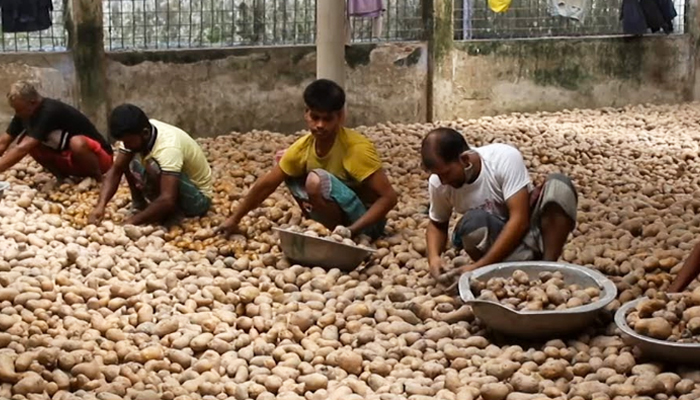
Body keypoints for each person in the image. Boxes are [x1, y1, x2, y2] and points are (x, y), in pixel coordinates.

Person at [218, 79, 397, 239]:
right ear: (306, 114)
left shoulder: (356, 149)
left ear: (340, 116)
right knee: (284, 162)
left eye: (327, 119)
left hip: (366, 224)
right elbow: (267, 184)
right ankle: (330, 232)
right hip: (340, 221)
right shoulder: (303, 147)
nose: (320, 125)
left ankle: (338, 235)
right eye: (315, 117)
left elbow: (389, 198)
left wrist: (351, 230)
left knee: (315, 180)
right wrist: (234, 219)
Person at [422, 127, 578, 284]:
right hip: (496, 240)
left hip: (531, 231)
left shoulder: (503, 159)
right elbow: (437, 224)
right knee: (471, 224)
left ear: (465, 160)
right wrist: (434, 258)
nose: (443, 181)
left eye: (446, 173)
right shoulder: (438, 184)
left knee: (559, 186)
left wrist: (478, 267)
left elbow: (520, 220)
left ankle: (546, 266)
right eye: (438, 175)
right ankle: (510, 269)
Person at [88, 104, 213, 226]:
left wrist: (132, 221)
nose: (125, 145)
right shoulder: (137, 134)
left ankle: (174, 213)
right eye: (123, 141)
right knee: (126, 158)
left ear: (145, 133)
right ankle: (140, 203)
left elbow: (168, 198)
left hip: (198, 199)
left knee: (153, 166)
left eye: (129, 141)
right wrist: (101, 205)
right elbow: (116, 170)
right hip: (171, 188)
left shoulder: (168, 147)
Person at [0, 81, 113, 182]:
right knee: (28, 143)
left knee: (77, 143)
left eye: (19, 109)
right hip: (69, 161)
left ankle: (98, 180)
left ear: (33, 102)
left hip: (100, 160)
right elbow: (4, 141)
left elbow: (22, 149)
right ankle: (63, 179)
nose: (17, 113)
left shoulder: (49, 111)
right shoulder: (24, 114)